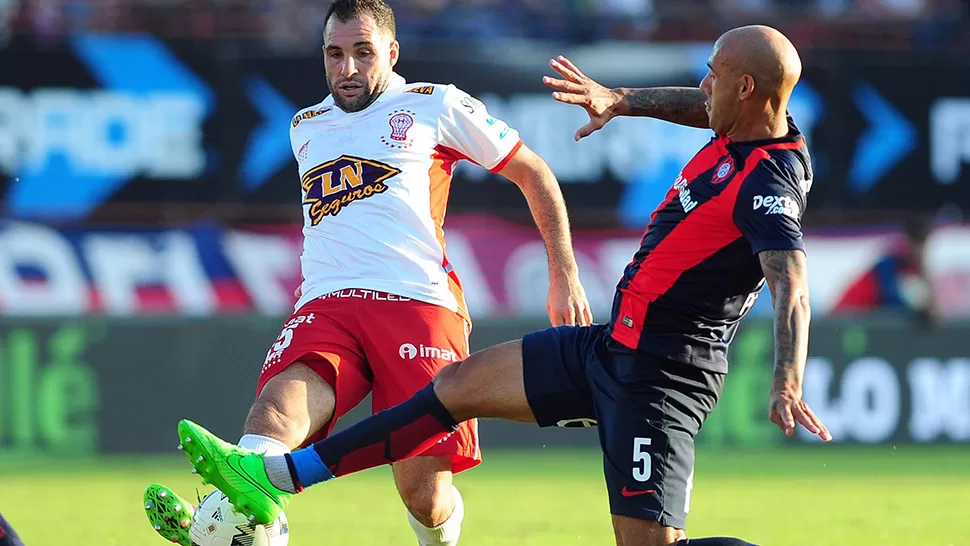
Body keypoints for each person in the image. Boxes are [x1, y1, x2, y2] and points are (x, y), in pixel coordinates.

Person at [174, 24, 833, 546]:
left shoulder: (768, 182)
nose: (702, 85)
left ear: (745, 89)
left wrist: (786, 378)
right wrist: (623, 101)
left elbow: (792, 281)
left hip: (659, 377)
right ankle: (278, 474)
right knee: (455, 388)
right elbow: (707, 107)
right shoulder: (749, 124)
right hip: (610, 347)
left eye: (713, 76)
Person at [142, 0, 592, 544]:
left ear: (392, 52)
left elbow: (533, 172)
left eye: (362, 53)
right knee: (269, 420)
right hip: (327, 307)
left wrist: (563, 273)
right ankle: (229, 522)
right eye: (335, 54)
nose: (347, 68)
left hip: (417, 305)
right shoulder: (305, 126)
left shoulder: (435, 105)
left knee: (422, 495)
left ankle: (223, 524)